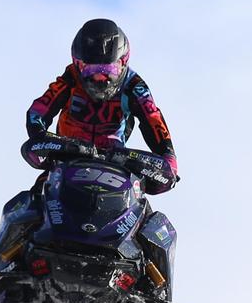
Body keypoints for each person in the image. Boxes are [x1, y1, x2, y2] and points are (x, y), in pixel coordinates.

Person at [23, 19, 178, 191]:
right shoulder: (70, 77)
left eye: (109, 70)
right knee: (32, 200)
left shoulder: (135, 86)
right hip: (67, 161)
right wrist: (43, 138)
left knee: (147, 213)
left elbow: (153, 119)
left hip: (115, 167)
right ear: (77, 64)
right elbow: (38, 111)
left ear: (123, 62)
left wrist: (168, 158)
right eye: (90, 69)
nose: (100, 78)